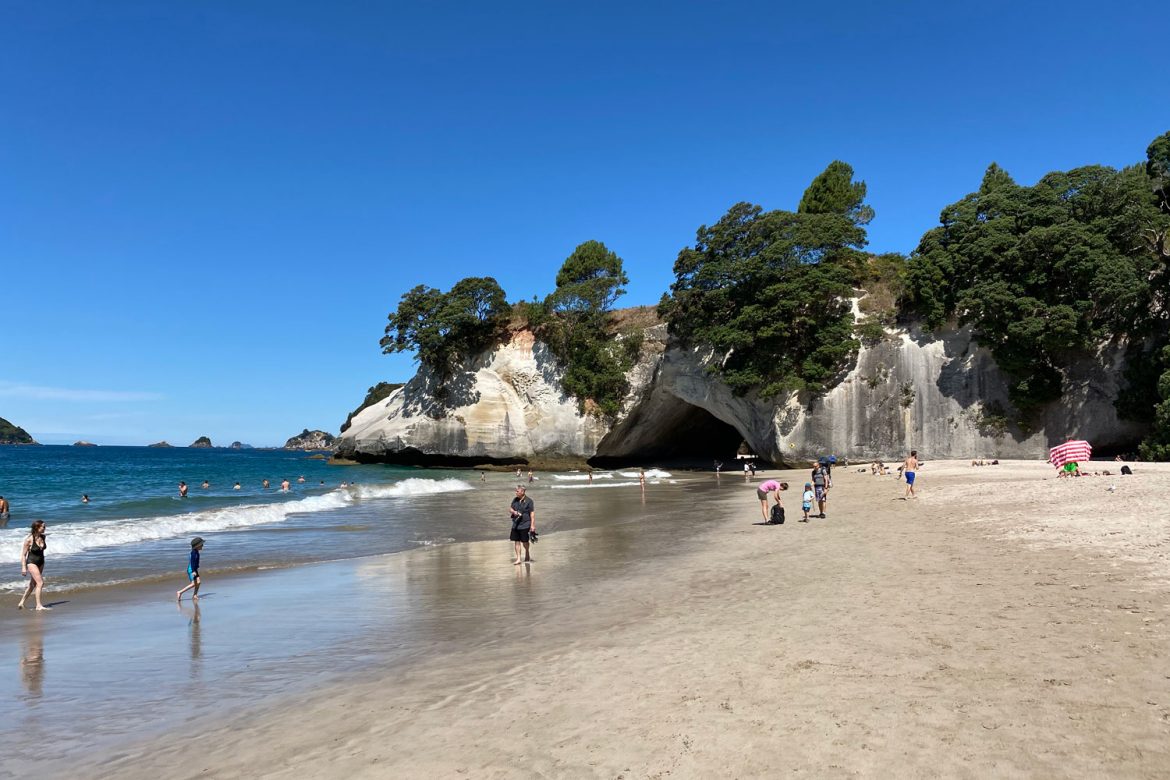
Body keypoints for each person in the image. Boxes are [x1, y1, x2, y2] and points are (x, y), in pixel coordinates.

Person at [18, 520, 50, 610]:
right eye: (43, 527)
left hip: (41, 562)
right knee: (40, 583)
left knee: (32, 584)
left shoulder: (43, 537)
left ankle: (21, 602)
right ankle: (38, 605)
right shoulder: (29, 540)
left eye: (45, 527)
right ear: (37, 527)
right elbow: (23, 555)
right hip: (31, 562)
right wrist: (23, 568)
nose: (44, 528)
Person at [509, 485, 536, 565]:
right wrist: (514, 512)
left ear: (522, 492)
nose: (516, 492)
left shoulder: (529, 501)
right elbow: (510, 508)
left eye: (517, 491)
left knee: (525, 542)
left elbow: (532, 514)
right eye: (516, 491)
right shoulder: (515, 499)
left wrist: (532, 525)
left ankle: (527, 552)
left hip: (525, 524)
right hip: (515, 524)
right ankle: (518, 559)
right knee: (516, 541)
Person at [177, 537, 204, 601]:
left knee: (199, 582)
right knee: (194, 584)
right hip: (191, 570)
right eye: (201, 544)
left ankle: (195, 595)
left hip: (194, 569)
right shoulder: (194, 553)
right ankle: (180, 592)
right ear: (197, 546)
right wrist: (194, 571)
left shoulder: (196, 551)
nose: (203, 545)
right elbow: (192, 562)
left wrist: (195, 570)